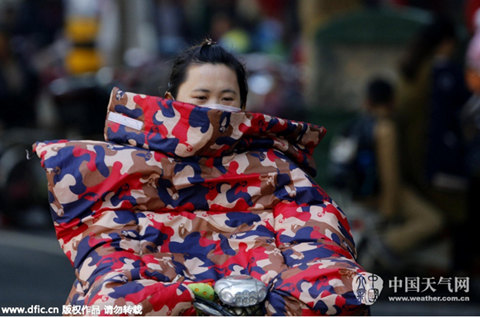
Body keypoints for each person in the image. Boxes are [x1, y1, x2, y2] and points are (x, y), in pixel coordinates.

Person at [34, 39, 373, 316]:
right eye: (201, 98)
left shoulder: (276, 166)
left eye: (227, 99)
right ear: (171, 102)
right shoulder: (127, 166)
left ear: (243, 105)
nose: (214, 110)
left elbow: (316, 239)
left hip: (266, 293)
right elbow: (108, 248)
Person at [329, 77, 444, 271]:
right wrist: (389, 212)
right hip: (380, 197)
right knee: (432, 220)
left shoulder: (355, 125)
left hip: (357, 196)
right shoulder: (385, 127)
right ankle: (382, 247)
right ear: (392, 100)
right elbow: (389, 175)